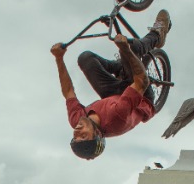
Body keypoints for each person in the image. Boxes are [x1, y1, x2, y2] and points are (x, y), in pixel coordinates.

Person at [51, 10, 171, 160]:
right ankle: (157, 35)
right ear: (98, 134)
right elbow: (142, 81)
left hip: (113, 95)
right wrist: (125, 49)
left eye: (75, 137)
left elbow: (68, 91)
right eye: (83, 136)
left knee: (85, 58)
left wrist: (59, 58)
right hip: (141, 94)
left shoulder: (77, 120)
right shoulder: (117, 116)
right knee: (132, 47)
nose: (77, 131)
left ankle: (119, 66)